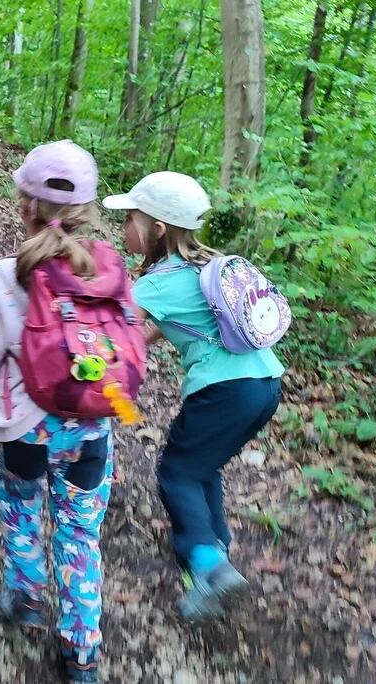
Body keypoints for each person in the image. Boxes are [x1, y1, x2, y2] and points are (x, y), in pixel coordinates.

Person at [0, 141, 124, 684]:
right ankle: (82, 648)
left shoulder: (6, 279)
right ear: (88, 211)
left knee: (21, 510)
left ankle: (26, 595)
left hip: (24, 433)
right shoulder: (108, 273)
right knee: (79, 535)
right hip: (90, 434)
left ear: (24, 206)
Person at [102, 171, 285, 621]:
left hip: (224, 391)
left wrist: (97, 367)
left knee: (177, 473)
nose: (123, 228)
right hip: (264, 384)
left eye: (129, 219)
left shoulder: (157, 283)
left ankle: (208, 564)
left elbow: (111, 332)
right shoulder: (203, 265)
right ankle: (216, 557)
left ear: (156, 228)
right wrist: (137, 348)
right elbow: (165, 327)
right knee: (203, 468)